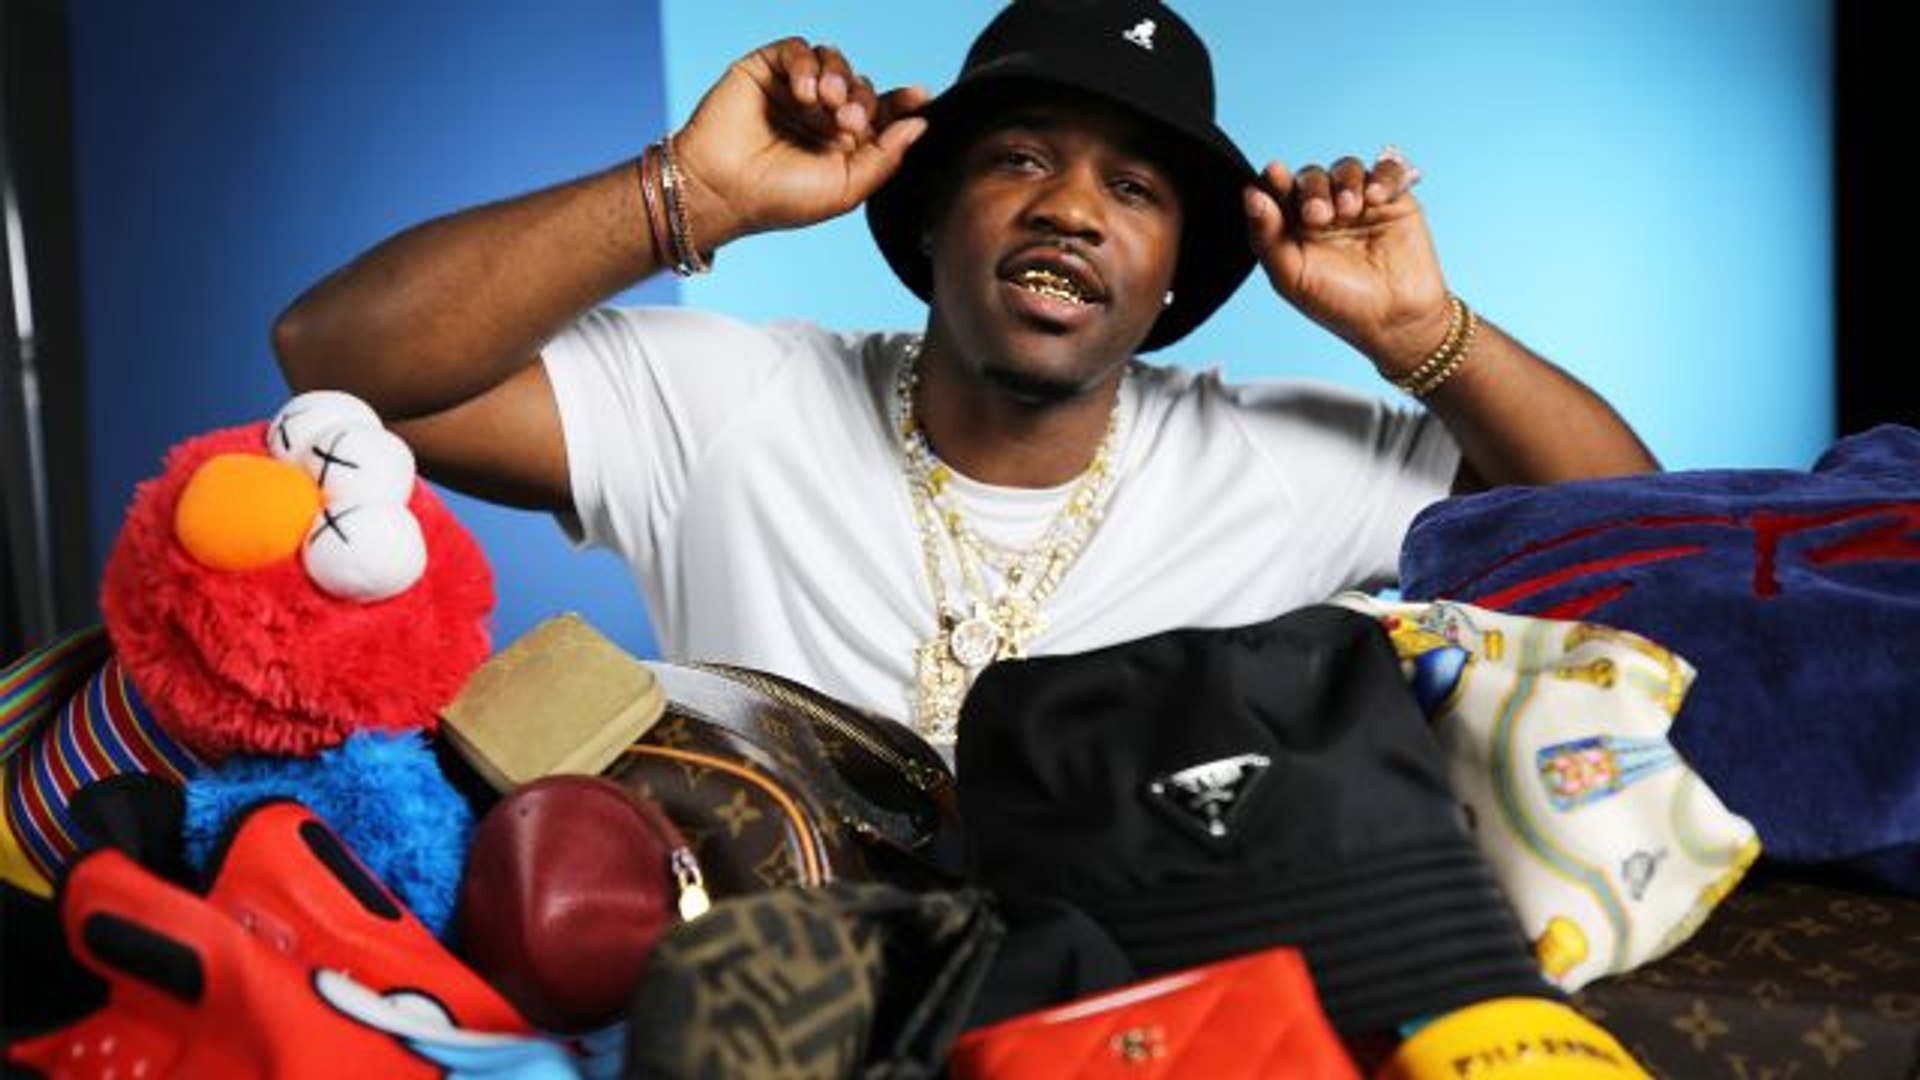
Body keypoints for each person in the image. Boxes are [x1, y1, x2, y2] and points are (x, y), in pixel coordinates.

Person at [273, 1, 1657, 751]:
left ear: (1174, 276)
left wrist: (1419, 331)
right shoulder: (726, 403)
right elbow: (341, 363)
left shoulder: (1283, 464)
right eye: (1019, 158)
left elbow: (1643, 545)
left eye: (1134, 188)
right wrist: (688, 191)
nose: (1071, 208)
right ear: (929, 213)